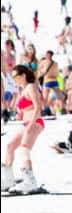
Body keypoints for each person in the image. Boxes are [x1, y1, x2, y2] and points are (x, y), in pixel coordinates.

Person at [1, 65, 45, 194]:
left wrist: (31, 124)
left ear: (23, 75)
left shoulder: (31, 87)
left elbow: (38, 107)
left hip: (35, 122)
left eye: (16, 77)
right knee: (10, 146)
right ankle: (8, 180)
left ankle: (29, 181)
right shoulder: (23, 89)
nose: (15, 80)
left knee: (24, 149)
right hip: (27, 123)